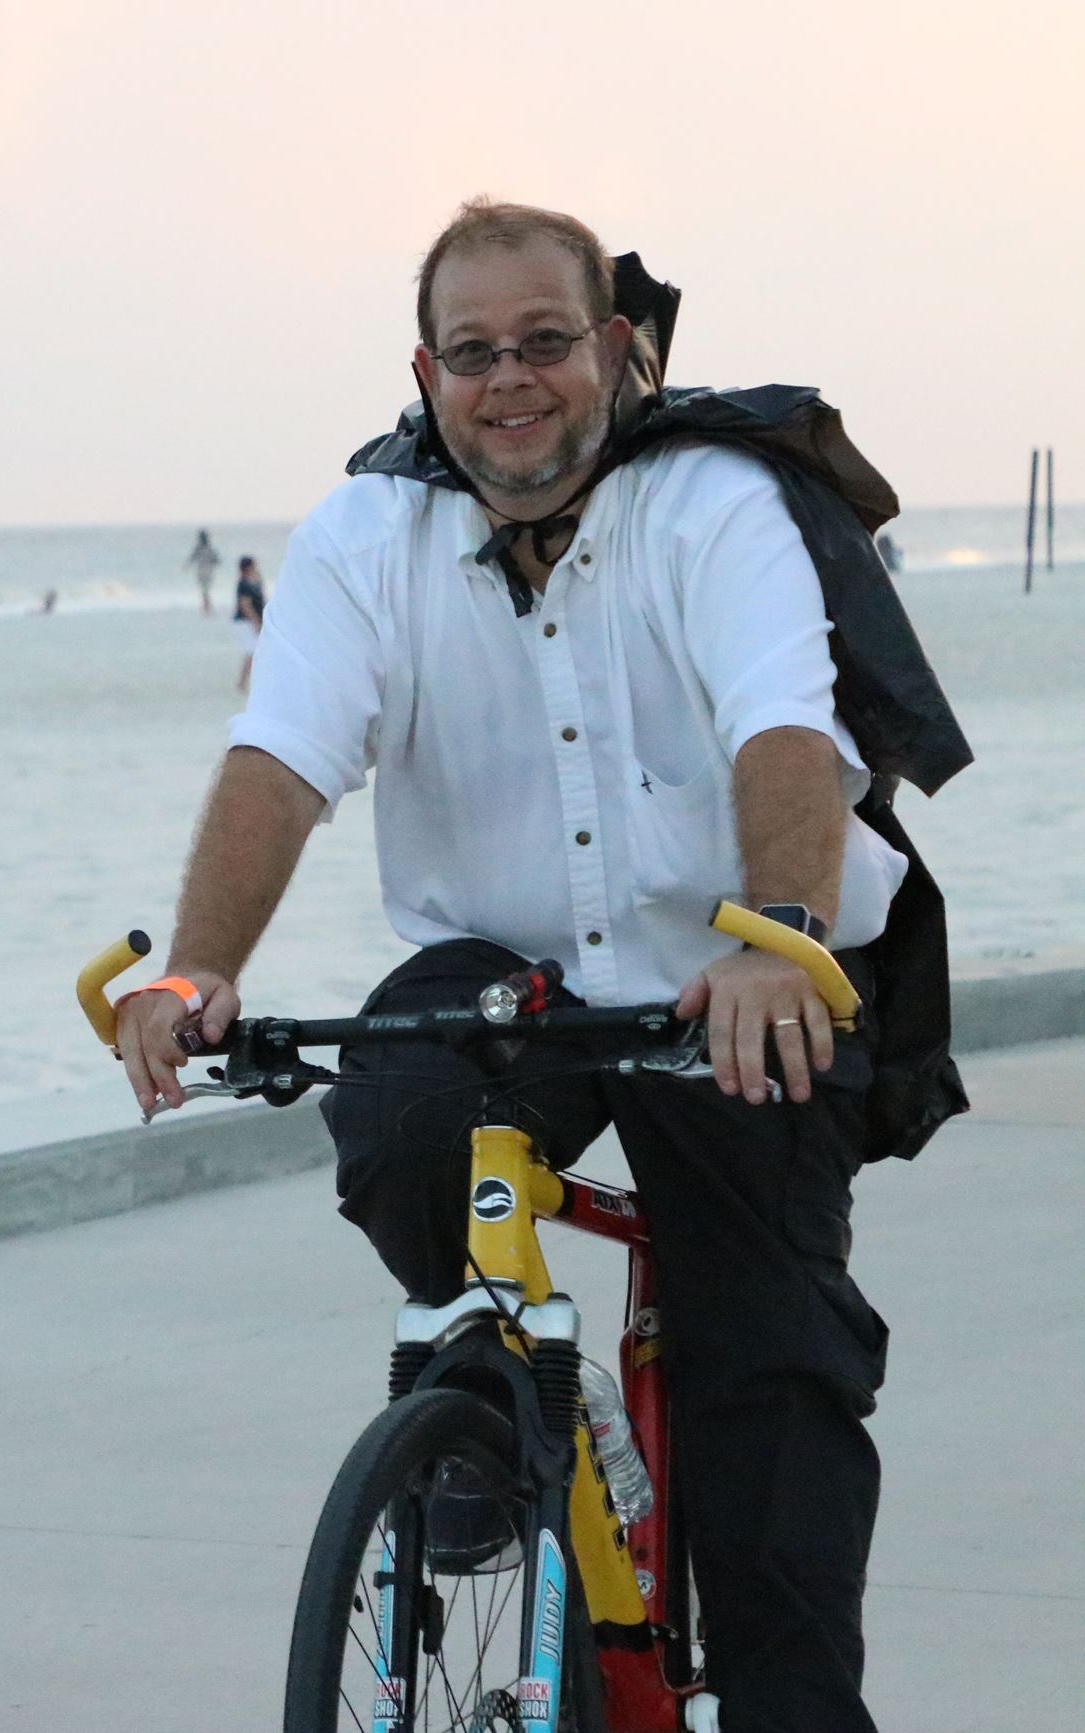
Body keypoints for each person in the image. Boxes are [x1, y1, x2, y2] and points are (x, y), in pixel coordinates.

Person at [118, 200, 912, 1732]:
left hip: (730, 966)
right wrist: (195, 969)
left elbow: (782, 726)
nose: (511, 380)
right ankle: (497, 1420)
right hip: (508, 978)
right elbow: (282, 757)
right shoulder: (364, 535)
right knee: (398, 1112)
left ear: (615, 350)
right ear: (427, 375)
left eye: (545, 340)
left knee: (774, 1374)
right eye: (473, 353)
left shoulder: (713, 504)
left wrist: (786, 943)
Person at [229, 553, 265, 692]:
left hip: (253, 621)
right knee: (252, 651)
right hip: (245, 622)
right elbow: (245, 605)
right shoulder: (243, 584)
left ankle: (245, 682)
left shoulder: (254, 582)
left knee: (256, 652)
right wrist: (256, 621)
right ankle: (242, 683)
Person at [185, 527, 221, 614]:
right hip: (209, 571)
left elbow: (191, 559)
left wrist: (186, 567)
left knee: (204, 591)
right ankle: (207, 607)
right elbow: (217, 561)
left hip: (201, 571)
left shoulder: (198, 549)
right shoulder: (210, 549)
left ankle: (206, 607)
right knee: (206, 590)